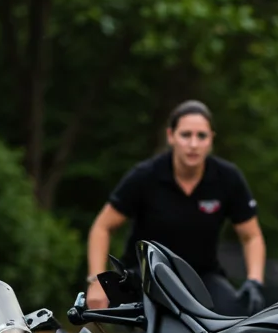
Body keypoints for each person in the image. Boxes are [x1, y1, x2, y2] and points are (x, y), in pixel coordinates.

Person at [84, 100, 266, 315]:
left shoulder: (228, 178)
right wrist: (96, 280)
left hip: (202, 277)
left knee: (240, 316)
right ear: (171, 136)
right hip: (146, 277)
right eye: (186, 135)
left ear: (211, 139)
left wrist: (255, 281)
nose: (193, 144)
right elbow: (102, 227)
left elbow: (251, 236)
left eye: (201, 136)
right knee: (153, 330)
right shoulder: (145, 176)